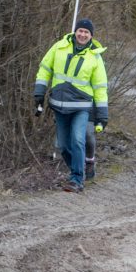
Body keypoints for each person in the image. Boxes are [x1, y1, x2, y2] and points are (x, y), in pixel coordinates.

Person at [34, 18, 109, 192]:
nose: (82, 34)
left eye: (86, 32)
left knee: (77, 140)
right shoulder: (59, 47)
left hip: (81, 107)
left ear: (91, 36)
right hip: (59, 105)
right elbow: (45, 68)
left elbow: (100, 87)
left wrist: (102, 114)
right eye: (80, 31)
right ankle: (78, 169)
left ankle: (76, 179)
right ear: (75, 32)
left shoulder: (95, 57)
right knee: (63, 146)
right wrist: (39, 91)